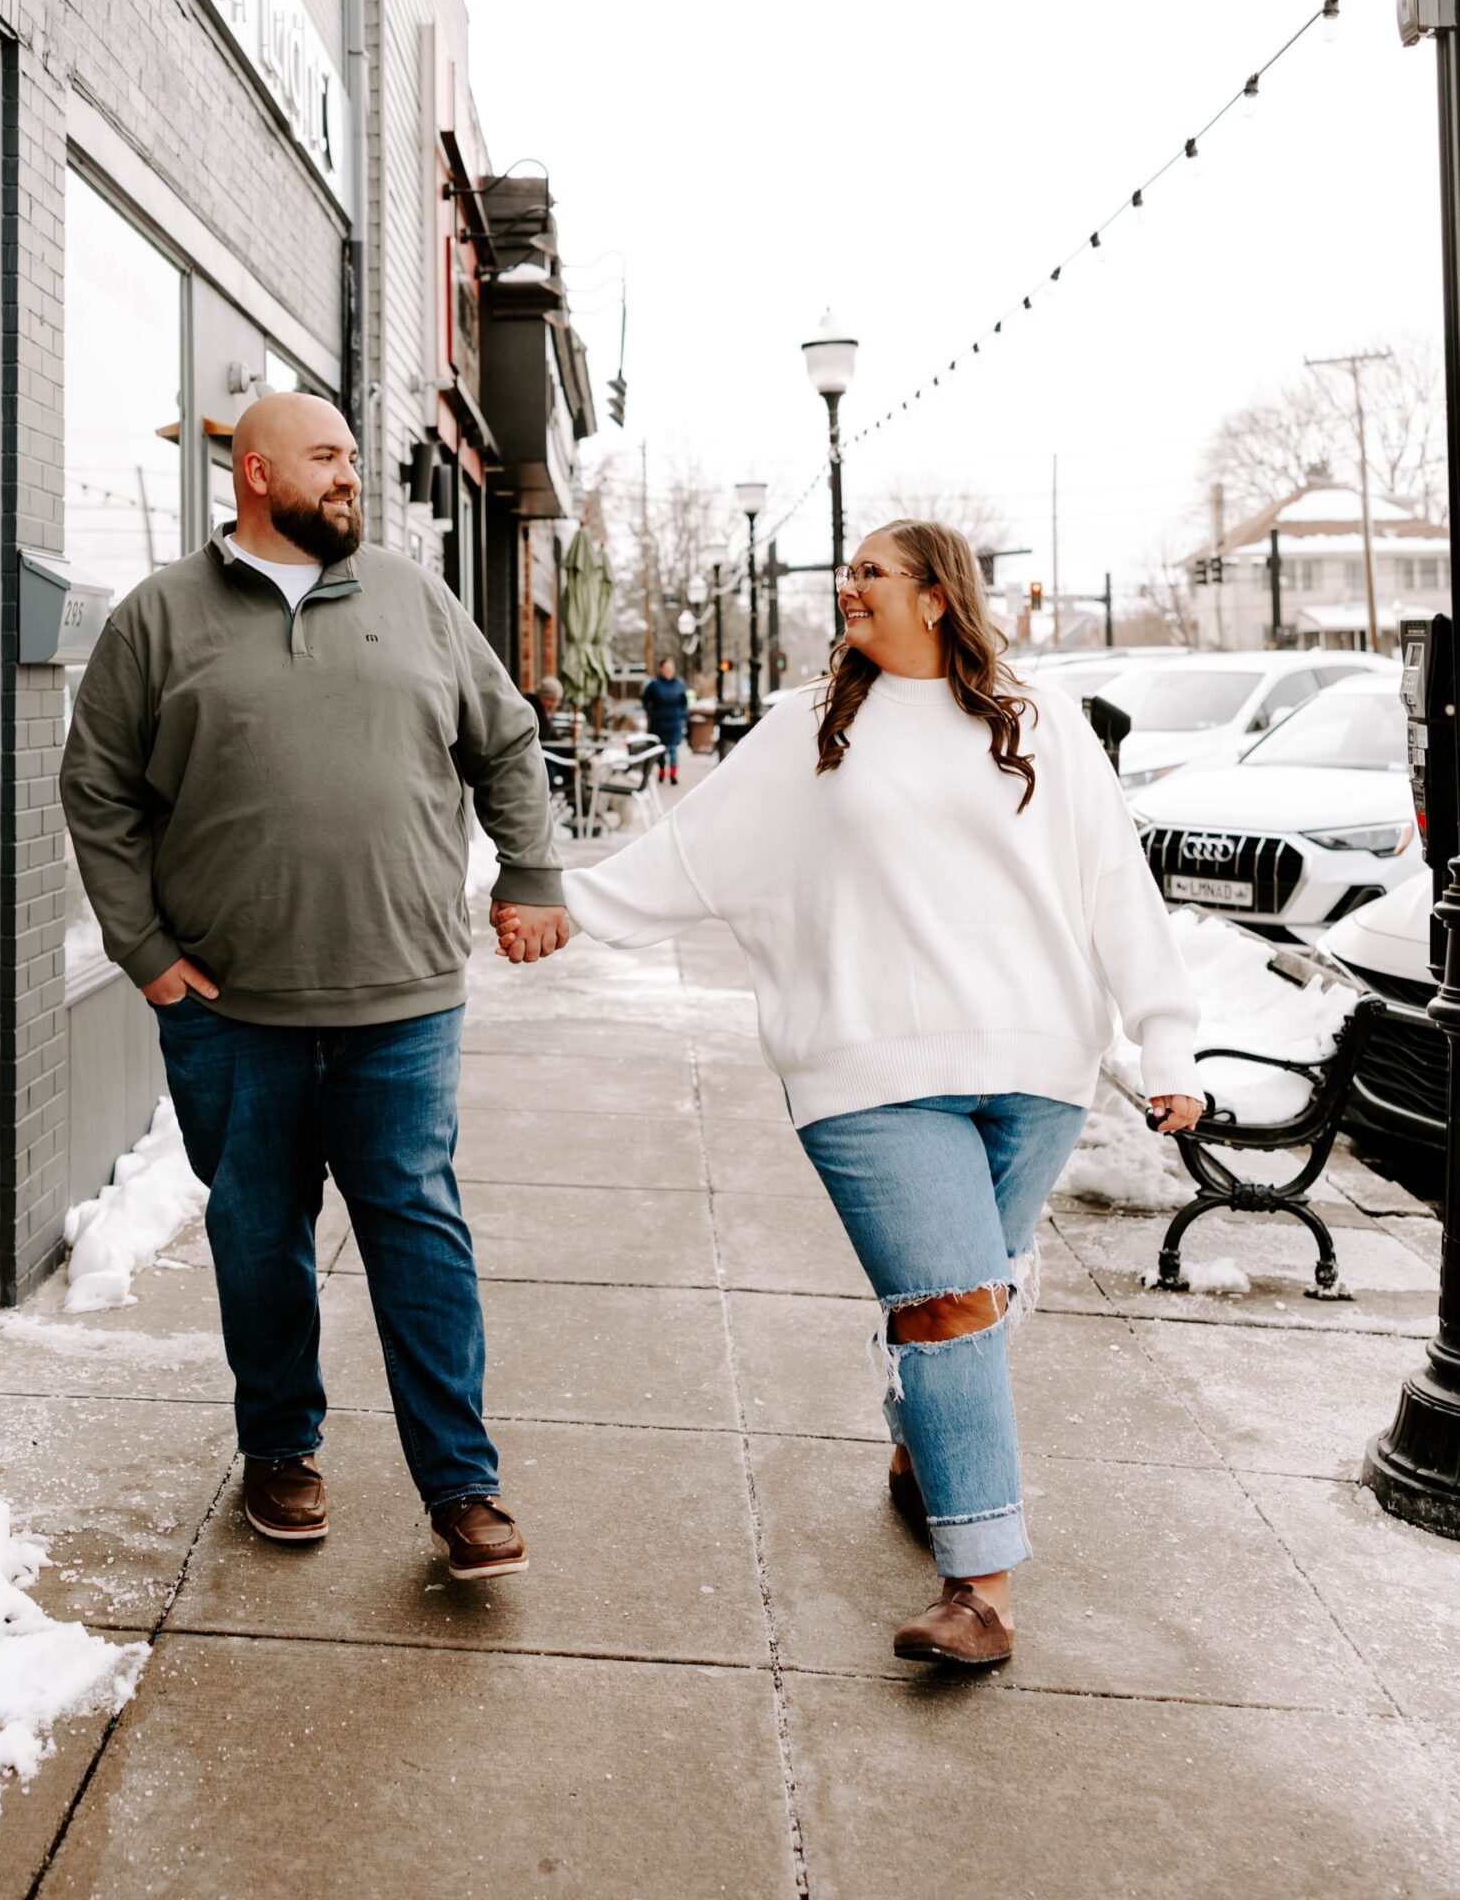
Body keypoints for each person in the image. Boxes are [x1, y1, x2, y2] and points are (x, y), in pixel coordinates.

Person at [497, 519, 1202, 1668]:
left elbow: (1115, 886)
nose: (847, 586)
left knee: (970, 1294)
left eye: (872, 570)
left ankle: (925, 1443)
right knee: (950, 1301)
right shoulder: (809, 729)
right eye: (849, 571)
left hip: (1036, 1070)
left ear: (938, 596)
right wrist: (563, 906)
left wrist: (1167, 1045)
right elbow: (689, 857)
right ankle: (982, 1589)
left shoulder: (1039, 720)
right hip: (871, 1070)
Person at [60, 392, 570, 1578]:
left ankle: (462, 1486)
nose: (351, 477)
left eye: (351, 458)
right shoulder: (159, 618)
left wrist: (533, 870)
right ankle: (280, 1450)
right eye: (329, 458)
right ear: (254, 473)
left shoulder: (412, 596)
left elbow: (501, 737)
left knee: (420, 1241)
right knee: (258, 1240)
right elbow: (99, 792)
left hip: (403, 1003)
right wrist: (143, 951)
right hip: (233, 1013)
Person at [642, 655, 690, 784]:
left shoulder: (679, 685)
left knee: (674, 749)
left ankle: (673, 774)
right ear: (661, 669)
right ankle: (662, 770)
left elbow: (684, 703)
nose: (669, 670)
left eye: (671, 668)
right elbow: (645, 701)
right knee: (661, 750)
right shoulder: (654, 685)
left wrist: (682, 715)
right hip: (659, 723)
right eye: (666, 668)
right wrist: (651, 713)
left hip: (674, 723)